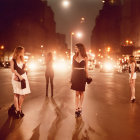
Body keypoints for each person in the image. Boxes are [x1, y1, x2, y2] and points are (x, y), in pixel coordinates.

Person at [10, 46, 31, 119]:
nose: (23, 52)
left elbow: (25, 69)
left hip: (23, 77)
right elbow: (12, 70)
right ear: (18, 51)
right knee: (16, 94)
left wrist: (27, 70)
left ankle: (19, 107)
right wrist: (19, 76)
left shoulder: (23, 60)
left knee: (23, 94)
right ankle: (17, 110)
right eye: (22, 51)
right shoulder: (12, 60)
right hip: (16, 78)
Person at [71, 43, 88, 117]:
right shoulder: (74, 56)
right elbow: (72, 68)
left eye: (76, 48)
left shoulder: (85, 57)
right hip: (75, 75)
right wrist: (71, 77)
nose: (75, 49)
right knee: (76, 93)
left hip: (82, 75)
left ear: (80, 48)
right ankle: (76, 108)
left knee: (81, 92)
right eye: (75, 48)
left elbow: (86, 68)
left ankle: (80, 107)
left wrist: (87, 77)